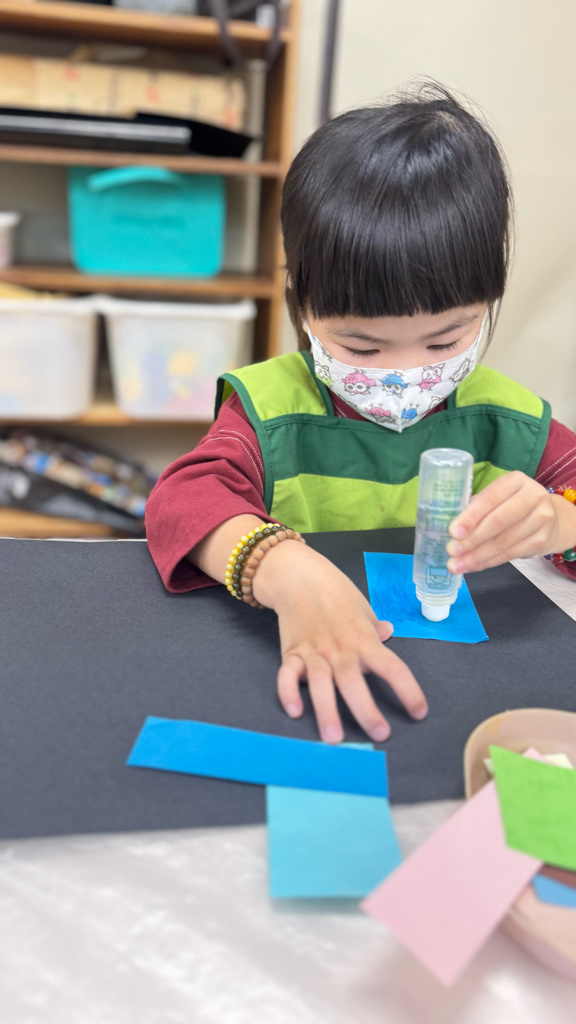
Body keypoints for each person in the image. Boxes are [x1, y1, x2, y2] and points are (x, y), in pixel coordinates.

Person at [146, 83, 576, 745]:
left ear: (489, 301)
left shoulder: (508, 420)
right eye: (362, 346)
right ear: (301, 303)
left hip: (469, 693)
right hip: (303, 675)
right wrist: (281, 569)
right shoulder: (272, 412)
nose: (404, 374)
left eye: (445, 340)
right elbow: (181, 500)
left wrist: (559, 520)